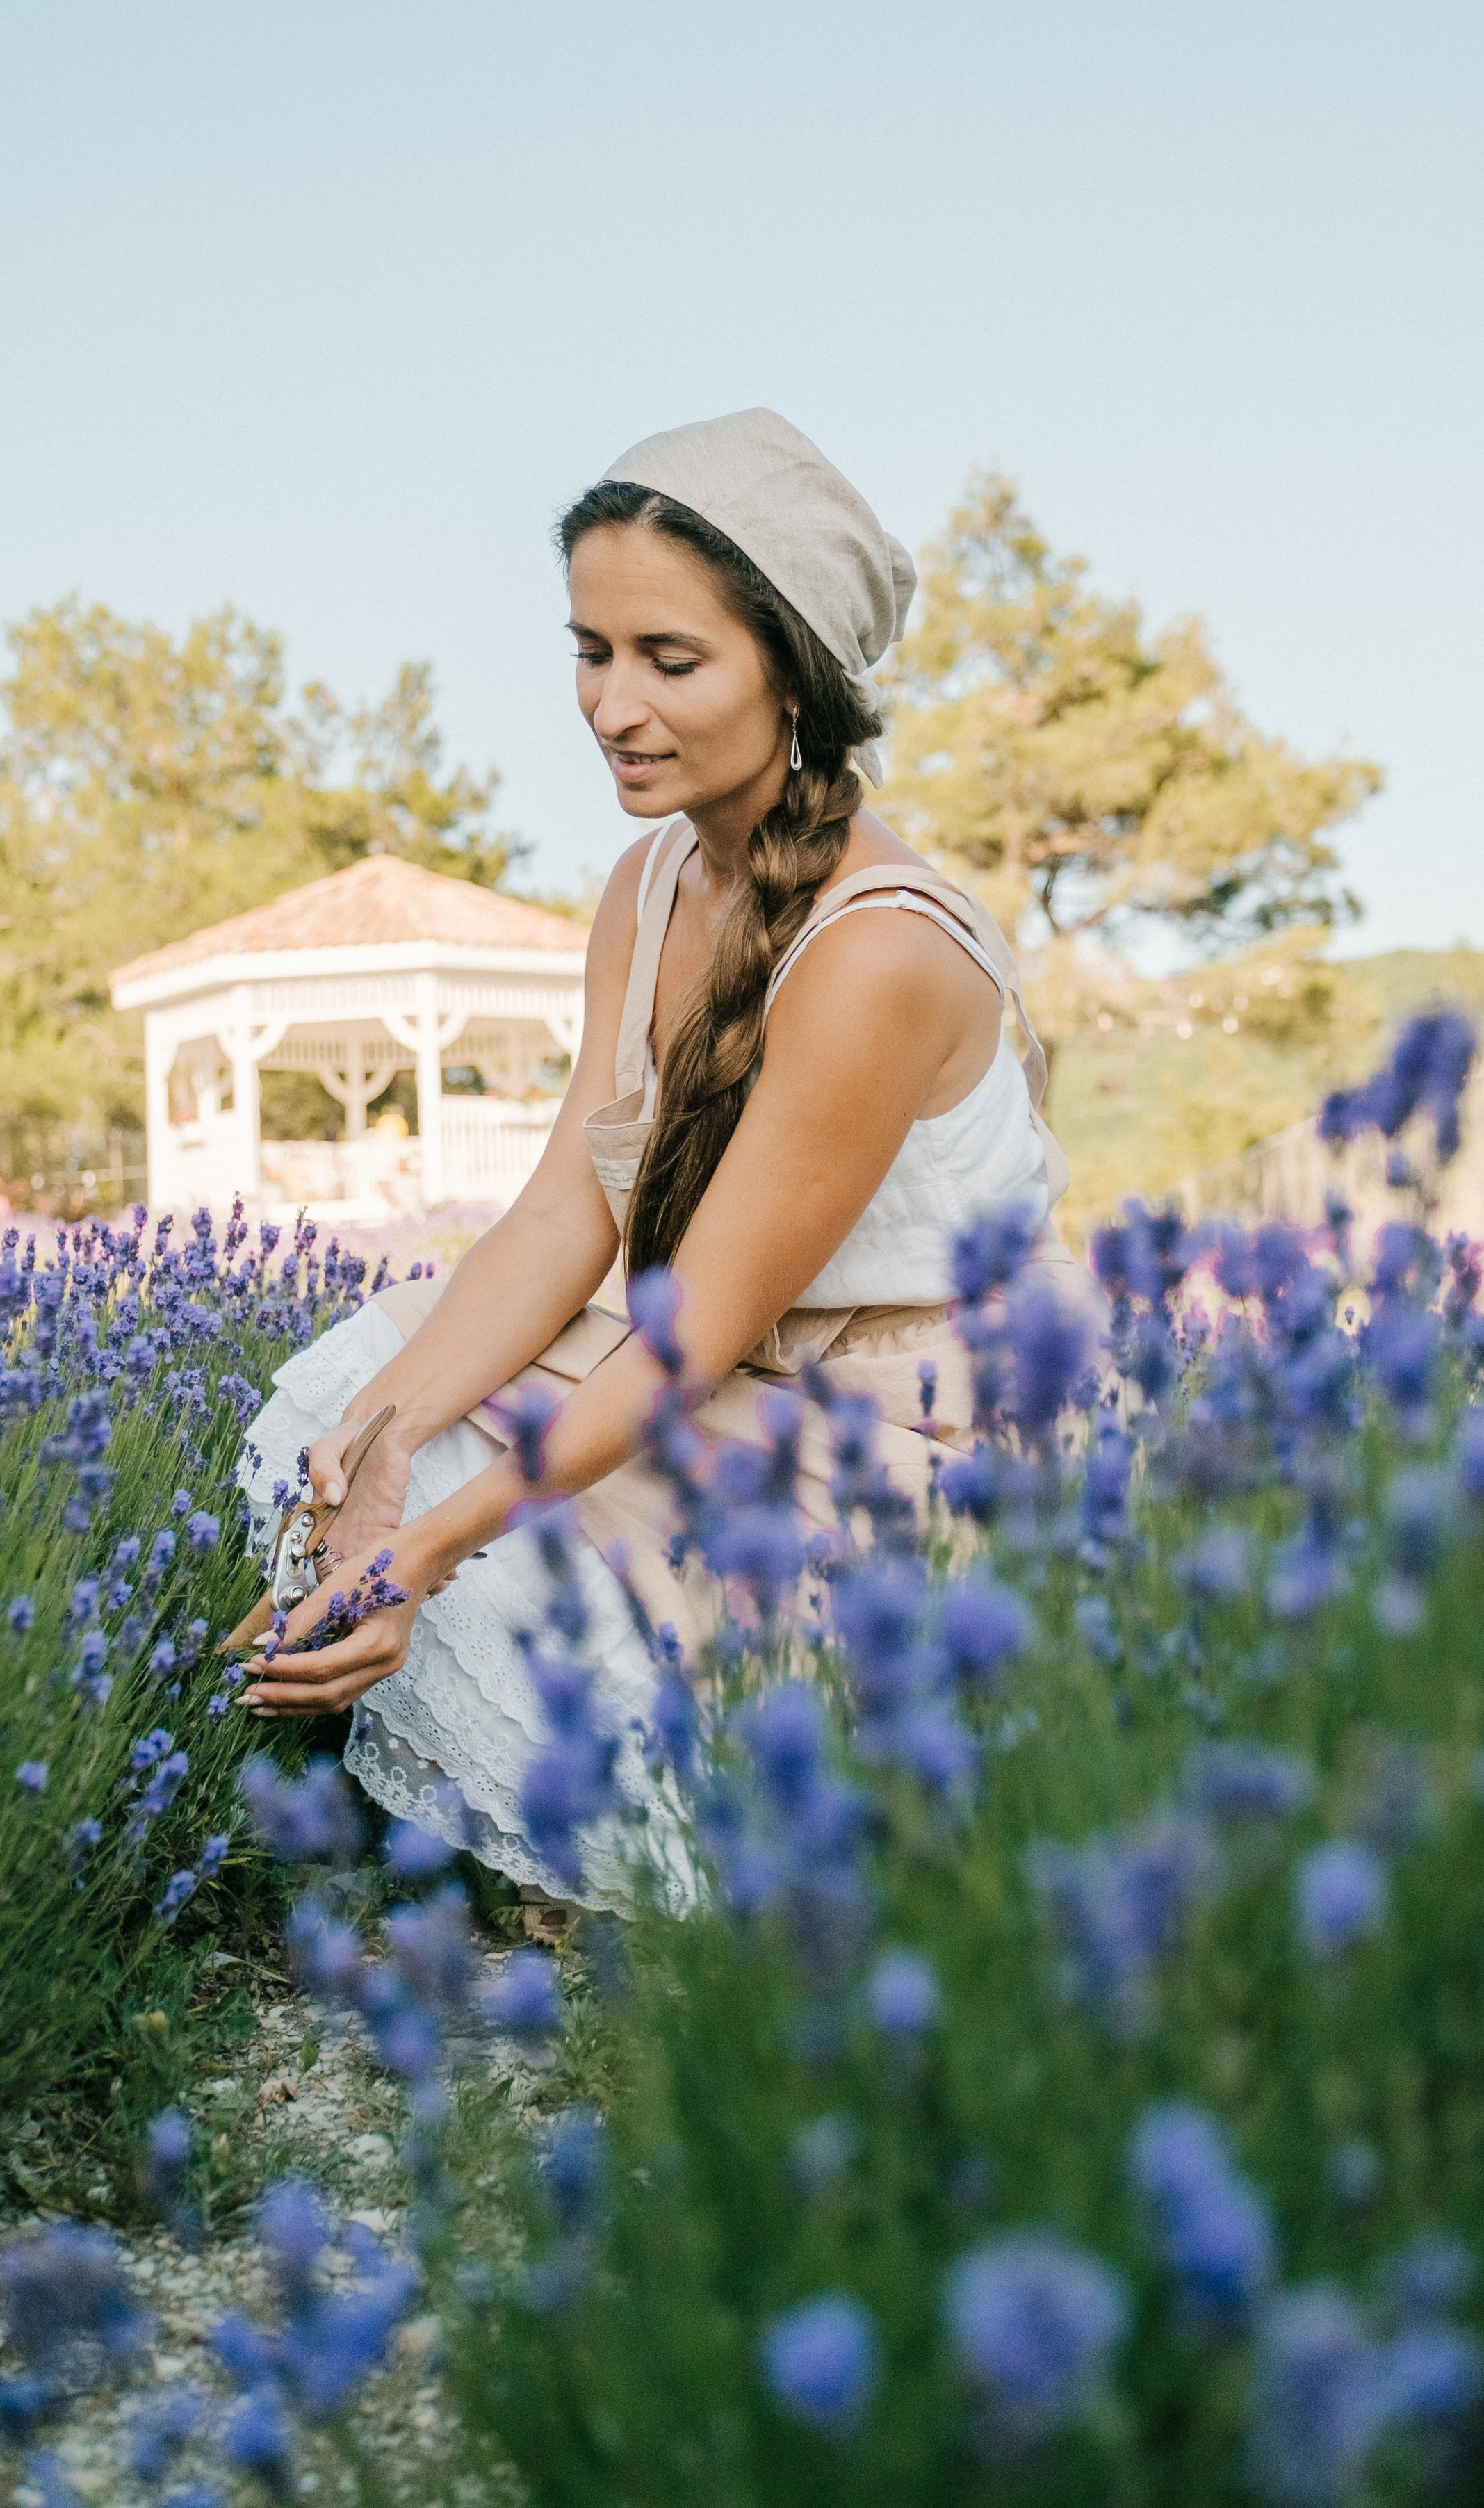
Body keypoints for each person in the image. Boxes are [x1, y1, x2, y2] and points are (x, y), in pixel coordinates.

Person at [236, 407, 1084, 1913]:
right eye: (590, 650)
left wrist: (423, 1550)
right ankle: (543, 1795)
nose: (611, 704)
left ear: (792, 672)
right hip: (741, 1395)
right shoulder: (649, 877)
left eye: (667, 659)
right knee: (345, 1403)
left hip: (911, 1468)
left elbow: (684, 1339)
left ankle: (704, 1852)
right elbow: (569, 1206)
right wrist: (380, 1456)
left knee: (450, 1508)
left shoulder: (874, 951)